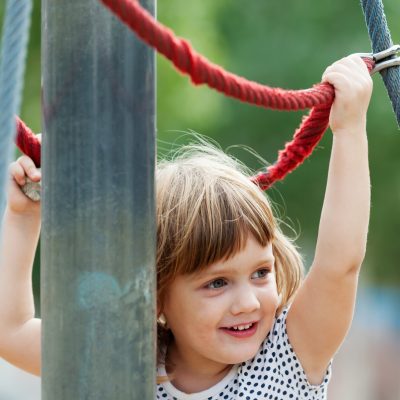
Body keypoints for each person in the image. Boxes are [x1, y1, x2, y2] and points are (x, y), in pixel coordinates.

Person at [0, 54, 372, 399]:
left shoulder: (289, 351)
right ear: (156, 291)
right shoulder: (126, 359)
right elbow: (10, 333)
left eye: (261, 272)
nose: (247, 303)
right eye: (217, 282)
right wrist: (23, 217)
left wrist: (350, 128)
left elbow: (339, 267)